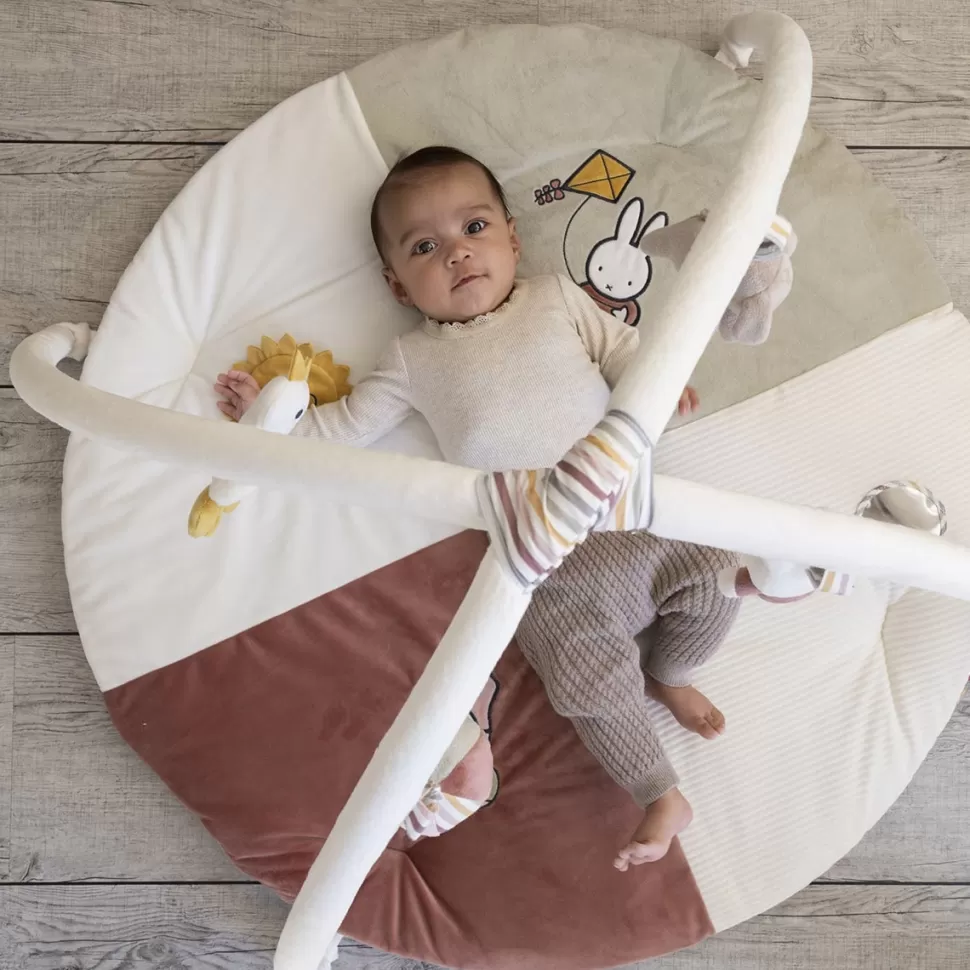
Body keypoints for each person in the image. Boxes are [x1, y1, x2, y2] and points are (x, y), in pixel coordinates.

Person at [215, 146, 729, 868]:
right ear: (398, 286)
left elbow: (628, 354)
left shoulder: (558, 299)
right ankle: (659, 792)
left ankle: (671, 672)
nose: (456, 253)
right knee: (583, 681)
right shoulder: (412, 360)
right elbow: (344, 434)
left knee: (715, 579)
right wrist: (270, 419)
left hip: (634, 517)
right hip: (546, 561)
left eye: (474, 227)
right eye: (425, 247)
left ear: (513, 239)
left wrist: (659, 386)